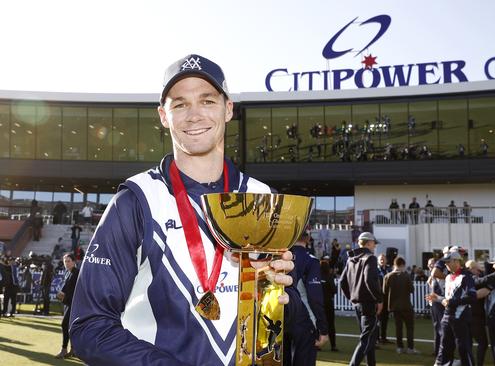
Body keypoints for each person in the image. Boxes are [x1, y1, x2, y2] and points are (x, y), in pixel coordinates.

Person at [69, 54, 295, 365]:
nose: (194, 115)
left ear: (228, 108)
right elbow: (89, 327)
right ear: (164, 115)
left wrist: (281, 295)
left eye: (207, 101)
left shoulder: (261, 196)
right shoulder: (137, 200)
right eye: (180, 104)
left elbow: (271, 322)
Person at [284, 231, 328, 366]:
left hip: (280, 316)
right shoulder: (311, 260)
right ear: (308, 239)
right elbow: (315, 297)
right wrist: (323, 328)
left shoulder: (280, 257)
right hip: (303, 319)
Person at [340, 231, 383, 366]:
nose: (374, 247)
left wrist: (352, 297)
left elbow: (342, 282)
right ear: (369, 243)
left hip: (357, 304)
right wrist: (379, 299)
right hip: (368, 304)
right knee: (367, 339)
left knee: (369, 338)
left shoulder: (351, 259)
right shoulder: (370, 258)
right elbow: (369, 280)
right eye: (373, 244)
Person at [433, 251, 476, 366]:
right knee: (445, 347)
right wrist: (438, 298)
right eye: (445, 262)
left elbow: (471, 297)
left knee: (463, 348)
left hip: (460, 317)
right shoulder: (447, 277)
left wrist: (451, 302)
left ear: (457, 261)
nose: (446, 264)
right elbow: (447, 299)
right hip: (447, 317)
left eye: (448, 261)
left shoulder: (466, 276)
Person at [383, 256, 418, 354]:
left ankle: (400, 347)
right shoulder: (406, 276)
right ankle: (410, 348)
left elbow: (384, 292)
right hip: (406, 305)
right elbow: (412, 290)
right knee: (410, 327)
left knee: (398, 328)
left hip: (394, 306)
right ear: (402, 265)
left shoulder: (387, 276)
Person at [55, 253, 79, 359]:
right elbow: (65, 288)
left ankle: (64, 349)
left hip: (74, 304)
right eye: (65, 261)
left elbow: (74, 289)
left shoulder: (77, 273)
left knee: (65, 324)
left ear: (74, 262)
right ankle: (73, 350)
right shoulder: (67, 272)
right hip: (67, 303)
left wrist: (62, 294)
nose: (67, 263)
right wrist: (61, 294)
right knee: (69, 326)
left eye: (69, 261)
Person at [466, 260, 488, 366]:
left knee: (468, 343)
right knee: (483, 343)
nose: (480, 272)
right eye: (478, 270)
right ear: (471, 269)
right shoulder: (470, 278)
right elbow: (477, 281)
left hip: (468, 314)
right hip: (474, 315)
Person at [425, 256, 445, 358]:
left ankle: (440, 351)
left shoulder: (439, 275)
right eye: (429, 264)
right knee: (437, 328)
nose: (430, 265)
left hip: (440, 303)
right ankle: (437, 350)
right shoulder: (431, 277)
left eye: (432, 263)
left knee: (441, 328)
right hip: (434, 304)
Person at [320, 259, 338, 352]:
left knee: (319, 323)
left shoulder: (317, 277)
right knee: (331, 324)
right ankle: (333, 346)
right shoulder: (329, 276)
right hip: (328, 304)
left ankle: (318, 345)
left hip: (319, 304)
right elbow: (334, 290)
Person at [376, 253, 392, 344]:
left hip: (387, 298)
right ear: (378, 261)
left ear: (386, 260)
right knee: (377, 319)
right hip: (378, 298)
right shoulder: (375, 270)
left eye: (383, 259)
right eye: (380, 259)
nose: (382, 260)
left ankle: (383, 337)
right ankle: (377, 338)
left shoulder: (389, 270)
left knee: (385, 318)